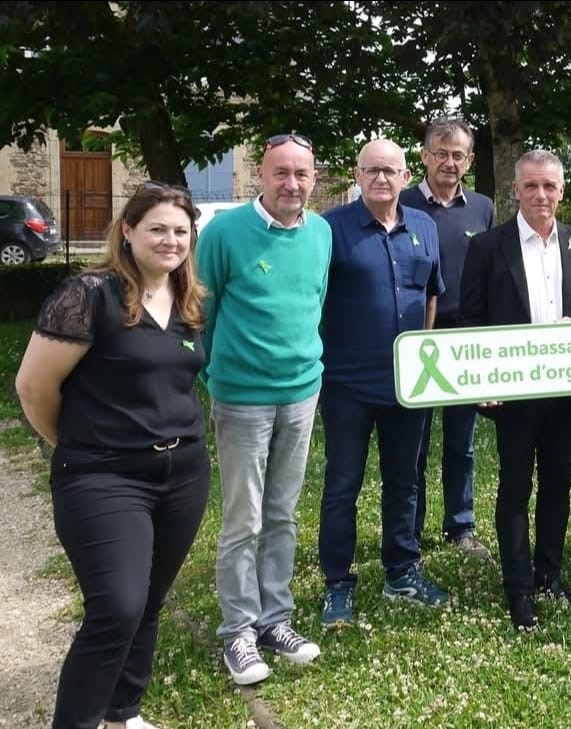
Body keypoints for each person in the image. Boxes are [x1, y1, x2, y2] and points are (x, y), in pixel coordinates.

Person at [16, 183, 210, 729]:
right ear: (127, 231)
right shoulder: (89, 295)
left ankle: (123, 714)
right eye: (157, 229)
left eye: (180, 231)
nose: (171, 240)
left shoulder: (189, 300)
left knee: (148, 600)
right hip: (103, 475)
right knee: (117, 608)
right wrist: (78, 444)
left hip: (183, 473)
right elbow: (33, 387)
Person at [197, 133, 331, 685]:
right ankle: (238, 631)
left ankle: (275, 620)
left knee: (281, 513)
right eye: (281, 172)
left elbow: (315, 302)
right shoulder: (224, 233)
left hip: (301, 392)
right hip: (241, 398)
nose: (292, 184)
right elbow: (200, 314)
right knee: (243, 518)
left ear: (313, 179)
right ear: (261, 174)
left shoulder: (321, 232)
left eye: (302, 174)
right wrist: (215, 377)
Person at [459, 149, 571, 630]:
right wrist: (483, 380)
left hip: (566, 392)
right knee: (515, 487)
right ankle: (519, 588)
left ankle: (549, 574)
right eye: (531, 186)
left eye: (549, 186)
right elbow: (471, 319)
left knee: (558, 485)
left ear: (561, 191)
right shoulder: (488, 247)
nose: (540, 195)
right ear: (515, 191)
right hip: (514, 394)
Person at [319, 139, 450, 628]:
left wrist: (422, 355)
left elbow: (431, 294)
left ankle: (402, 571)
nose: (381, 178)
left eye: (390, 171)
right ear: (357, 175)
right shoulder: (330, 229)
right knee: (342, 484)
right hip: (347, 384)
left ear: (405, 176)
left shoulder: (424, 227)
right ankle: (338, 583)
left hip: (408, 385)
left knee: (405, 480)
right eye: (371, 170)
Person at [400, 117, 495, 561]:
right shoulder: (400, 202)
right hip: (416, 338)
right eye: (441, 153)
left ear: (470, 161)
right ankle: (410, 530)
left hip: (465, 340)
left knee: (462, 442)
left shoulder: (482, 208)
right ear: (424, 156)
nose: (449, 162)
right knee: (413, 443)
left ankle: (460, 526)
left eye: (458, 155)